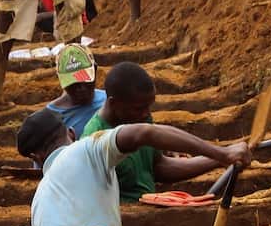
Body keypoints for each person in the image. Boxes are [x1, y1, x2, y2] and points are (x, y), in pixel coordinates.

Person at [17, 106, 251, 226]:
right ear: (71, 133)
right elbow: (144, 133)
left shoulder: (38, 202)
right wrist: (222, 154)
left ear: (36, 158)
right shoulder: (86, 150)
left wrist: (219, 159)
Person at [81, 61, 231, 203]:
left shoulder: (139, 117)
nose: (146, 114)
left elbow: (158, 167)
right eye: (139, 108)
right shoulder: (94, 138)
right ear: (114, 103)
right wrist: (221, 154)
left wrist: (218, 160)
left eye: (149, 106)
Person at [45, 44, 106, 137]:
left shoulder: (108, 102)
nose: (81, 88)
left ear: (95, 69)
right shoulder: (51, 118)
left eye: (85, 80)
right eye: (73, 84)